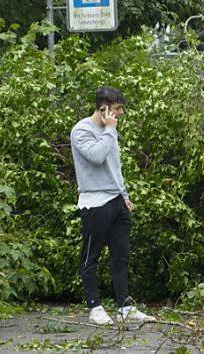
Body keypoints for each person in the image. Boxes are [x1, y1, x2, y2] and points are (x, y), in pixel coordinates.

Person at [70, 86, 155, 325]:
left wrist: (124, 195)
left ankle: (124, 306)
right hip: (94, 202)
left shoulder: (111, 130)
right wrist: (109, 130)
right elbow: (96, 157)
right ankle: (94, 307)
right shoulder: (81, 130)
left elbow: (113, 166)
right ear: (104, 108)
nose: (120, 114)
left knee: (121, 255)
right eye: (118, 109)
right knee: (91, 256)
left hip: (116, 201)